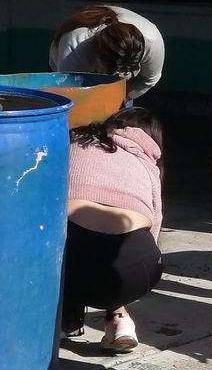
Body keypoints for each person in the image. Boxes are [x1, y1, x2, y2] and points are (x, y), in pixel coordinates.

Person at [61, 108, 168, 354]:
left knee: (69, 240)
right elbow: (155, 223)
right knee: (112, 253)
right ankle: (120, 321)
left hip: (74, 266)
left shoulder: (78, 141)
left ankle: (61, 320)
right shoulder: (146, 164)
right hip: (138, 271)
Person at [49, 5, 164, 102]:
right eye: (112, 70)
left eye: (126, 70)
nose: (119, 73)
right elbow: (69, 93)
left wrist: (124, 99)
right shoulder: (75, 44)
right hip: (69, 73)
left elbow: (149, 80)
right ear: (96, 54)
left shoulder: (152, 41)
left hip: (125, 85)